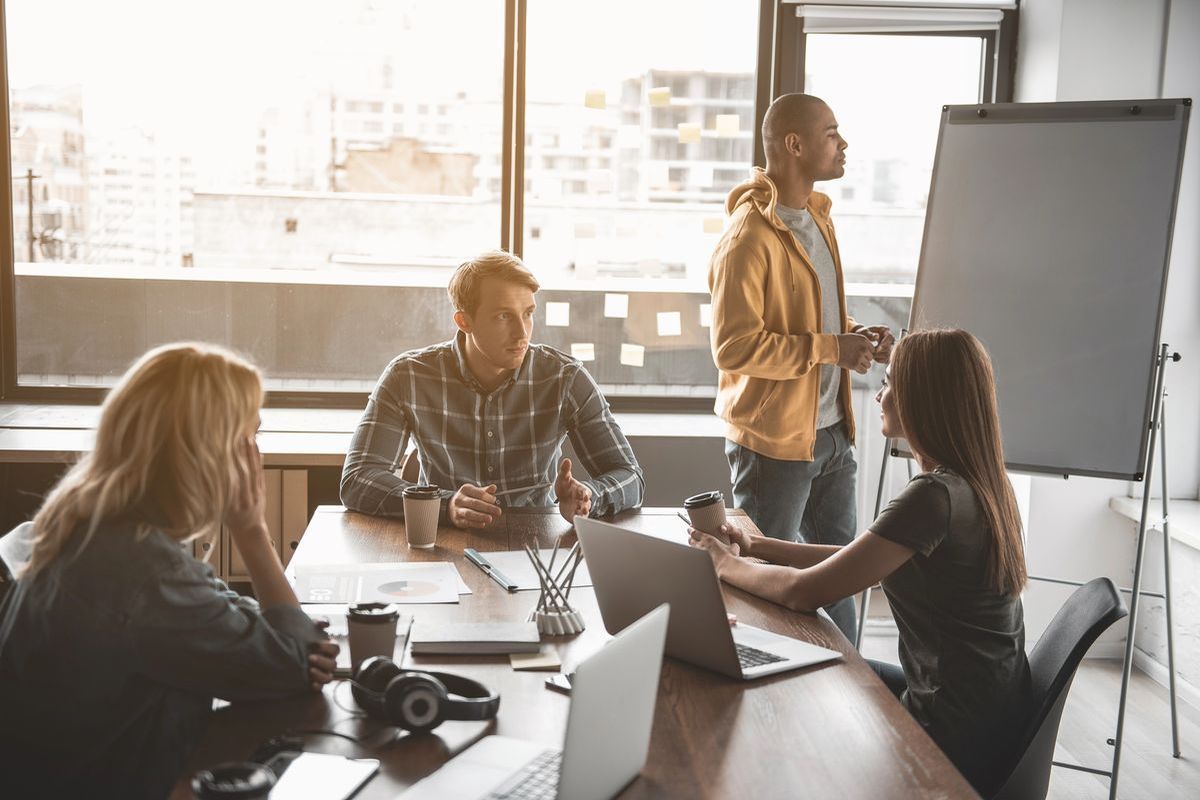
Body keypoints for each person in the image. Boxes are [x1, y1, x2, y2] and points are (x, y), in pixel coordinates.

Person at [689, 329, 1031, 793]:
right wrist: (758, 547)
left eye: (890, 383)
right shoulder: (980, 483)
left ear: (923, 399)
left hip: (951, 733)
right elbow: (860, 560)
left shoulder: (932, 497)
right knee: (822, 668)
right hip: (986, 715)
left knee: (798, 705)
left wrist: (721, 563)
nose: (880, 396)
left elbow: (803, 591)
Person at [0, 343, 338, 799]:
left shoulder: (87, 522)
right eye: (246, 436)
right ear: (203, 451)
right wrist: (253, 530)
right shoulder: (141, 570)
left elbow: (215, 605)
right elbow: (297, 665)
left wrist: (272, 633)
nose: (254, 453)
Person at [708, 92, 893, 640]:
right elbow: (734, 348)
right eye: (832, 133)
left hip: (833, 435)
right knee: (764, 582)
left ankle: (854, 699)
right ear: (795, 144)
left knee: (843, 578)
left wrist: (853, 334)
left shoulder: (817, 217)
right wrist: (831, 348)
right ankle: (773, 705)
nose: (843, 144)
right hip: (773, 446)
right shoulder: (745, 239)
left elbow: (811, 314)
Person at [341, 249, 644, 528]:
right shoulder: (408, 376)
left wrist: (590, 496)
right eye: (503, 316)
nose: (521, 332)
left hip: (536, 543)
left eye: (528, 313)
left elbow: (630, 476)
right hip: (443, 546)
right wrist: (443, 504)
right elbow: (357, 479)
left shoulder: (564, 378)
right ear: (464, 321)